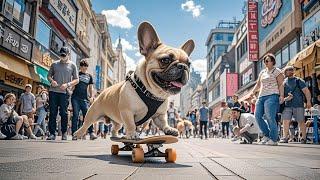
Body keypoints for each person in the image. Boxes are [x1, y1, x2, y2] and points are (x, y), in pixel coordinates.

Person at [249, 53, 284, 146]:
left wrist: (281, 96)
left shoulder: (277, 71)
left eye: (268, 61)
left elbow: (281, 84)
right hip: (261, 96)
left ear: (273, 61)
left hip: (272, 95)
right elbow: (258, 84)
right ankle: (267, 135)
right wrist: (252, 93)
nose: (266, 62)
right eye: (264, 61)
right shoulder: (262, 72)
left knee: (269, 117)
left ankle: (274, 139)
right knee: (257, 116)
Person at [47, 46, 79, 140]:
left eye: (64, 55)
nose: (62, 57)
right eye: (61, 55)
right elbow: (49, 76)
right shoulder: (54, 64)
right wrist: (51, 81)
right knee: (52, 113)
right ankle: (52, 133)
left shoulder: (73, 65)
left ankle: (64, 133)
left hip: (64, 93)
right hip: (53, 91)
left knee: (64, 113)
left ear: (68, 55)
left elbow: (76, 80)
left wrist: (68, 84)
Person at [279, 66, 312, 144]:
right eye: (288, 70)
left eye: (291, 70)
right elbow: (281, 96)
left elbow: (306, 91)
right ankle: (285, 138)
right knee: (286, 121)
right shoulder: (283, 82)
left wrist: (308, 101)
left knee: (301, 121)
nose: (291, 71)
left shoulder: (299, 80)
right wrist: (287, 98)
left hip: (298, 104)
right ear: (285, 72)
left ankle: (303, 138)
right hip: (287, 105)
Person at [71, 59, 97, 140]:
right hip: (75, 97)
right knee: (75, 115)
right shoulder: (77, 74)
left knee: (87, 115)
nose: (84, 68)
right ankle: (74, 134)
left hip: (84, 99)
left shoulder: (89, 76)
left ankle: (91, 133)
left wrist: (92, 96)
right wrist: (69, 91)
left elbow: (90, 88)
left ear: (87, 67)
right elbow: (73, 85)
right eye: (82, 67)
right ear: (80, 67)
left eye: (85, 67)